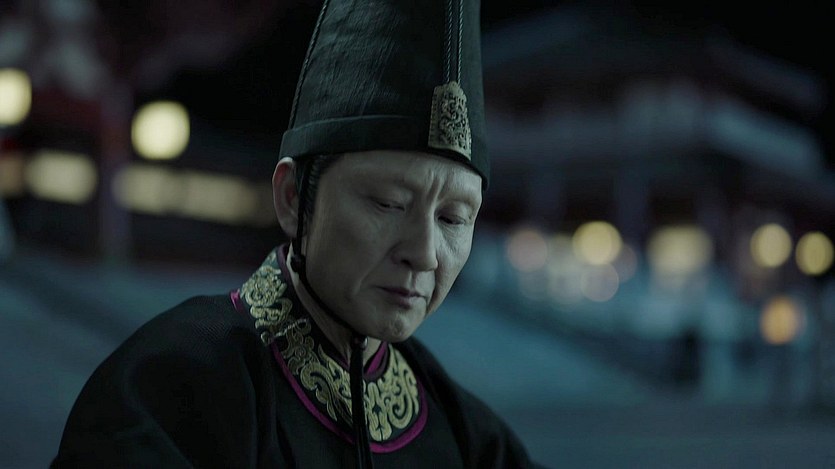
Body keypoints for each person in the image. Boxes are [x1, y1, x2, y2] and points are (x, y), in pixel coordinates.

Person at [53, 0, 541, 467]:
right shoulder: (174, 383)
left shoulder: (467, 437)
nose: (425, 253)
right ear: (291, 197)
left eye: (453, 219)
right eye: (388, 203)